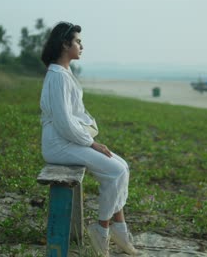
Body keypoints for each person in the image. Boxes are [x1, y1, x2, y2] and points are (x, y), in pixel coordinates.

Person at [40, 22, 138, 256]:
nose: (81, 46)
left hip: (69, 140)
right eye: (78, 42)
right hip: (58, 144)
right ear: (65, 44)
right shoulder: (57, 76)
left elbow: (74, 115)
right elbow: (64, 122)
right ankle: (101, 228)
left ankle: (119, 229)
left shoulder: (64, 73)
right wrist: (91, 143)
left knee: (122, 167)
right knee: (115, 171)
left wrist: (88, 134)